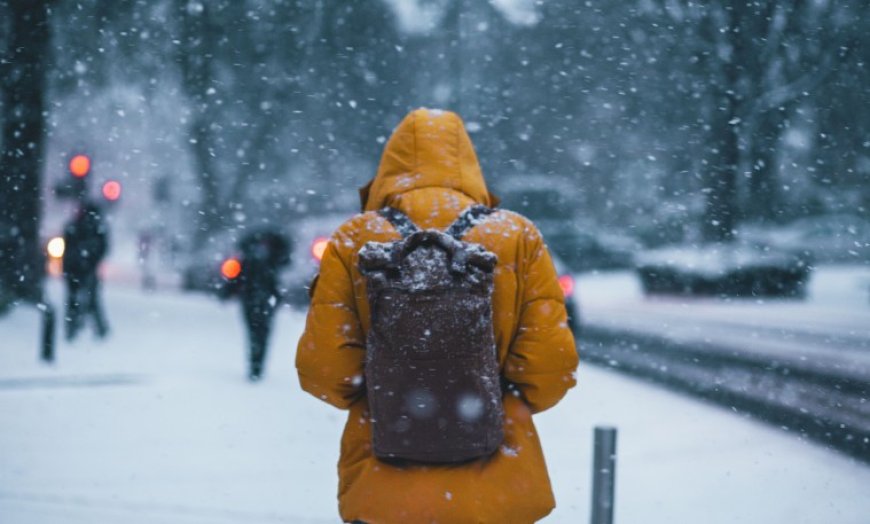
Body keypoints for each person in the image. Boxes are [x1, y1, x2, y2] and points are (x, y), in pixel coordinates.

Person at [296, 108, 579, 523]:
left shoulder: (355, 239)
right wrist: (485, 401)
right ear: (468, 164)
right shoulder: (516, 236)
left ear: (388, 167)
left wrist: (392, 394)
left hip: (382, 488)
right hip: (496, 489)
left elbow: (324, 372)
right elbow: (551, 369)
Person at [222, 229, 290, 381]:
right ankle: (257, 365)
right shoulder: (272, 259)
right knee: (260, 333)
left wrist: (227, 292)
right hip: (262, 300)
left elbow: (236, 278)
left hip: (253, 299)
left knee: (255, 333)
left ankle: (255, 365)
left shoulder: (250, 258)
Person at [62, 201, 109, 341]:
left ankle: (73, 328)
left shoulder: (74, 226)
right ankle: (98, 329)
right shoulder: (96, 228)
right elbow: (102, 248)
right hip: (84, 268)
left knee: (74, 299)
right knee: (91, 299)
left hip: (75, 268)